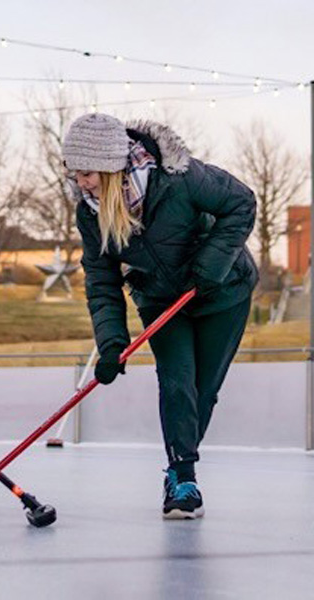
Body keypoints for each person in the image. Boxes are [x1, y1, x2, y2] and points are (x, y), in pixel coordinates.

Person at [62, 113, 257, 520]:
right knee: (176, 382)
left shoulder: (179, 178)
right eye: (74, 173)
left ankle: (176, 467)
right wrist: (111, 342)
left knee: (203, 390)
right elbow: (101, 280)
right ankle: (183, 479)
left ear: (111, 166)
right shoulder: (90, 213)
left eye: (87, 173)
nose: (80, 183)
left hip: (222, 290)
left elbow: (241, 203)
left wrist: (209, 267)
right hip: (160, 299)